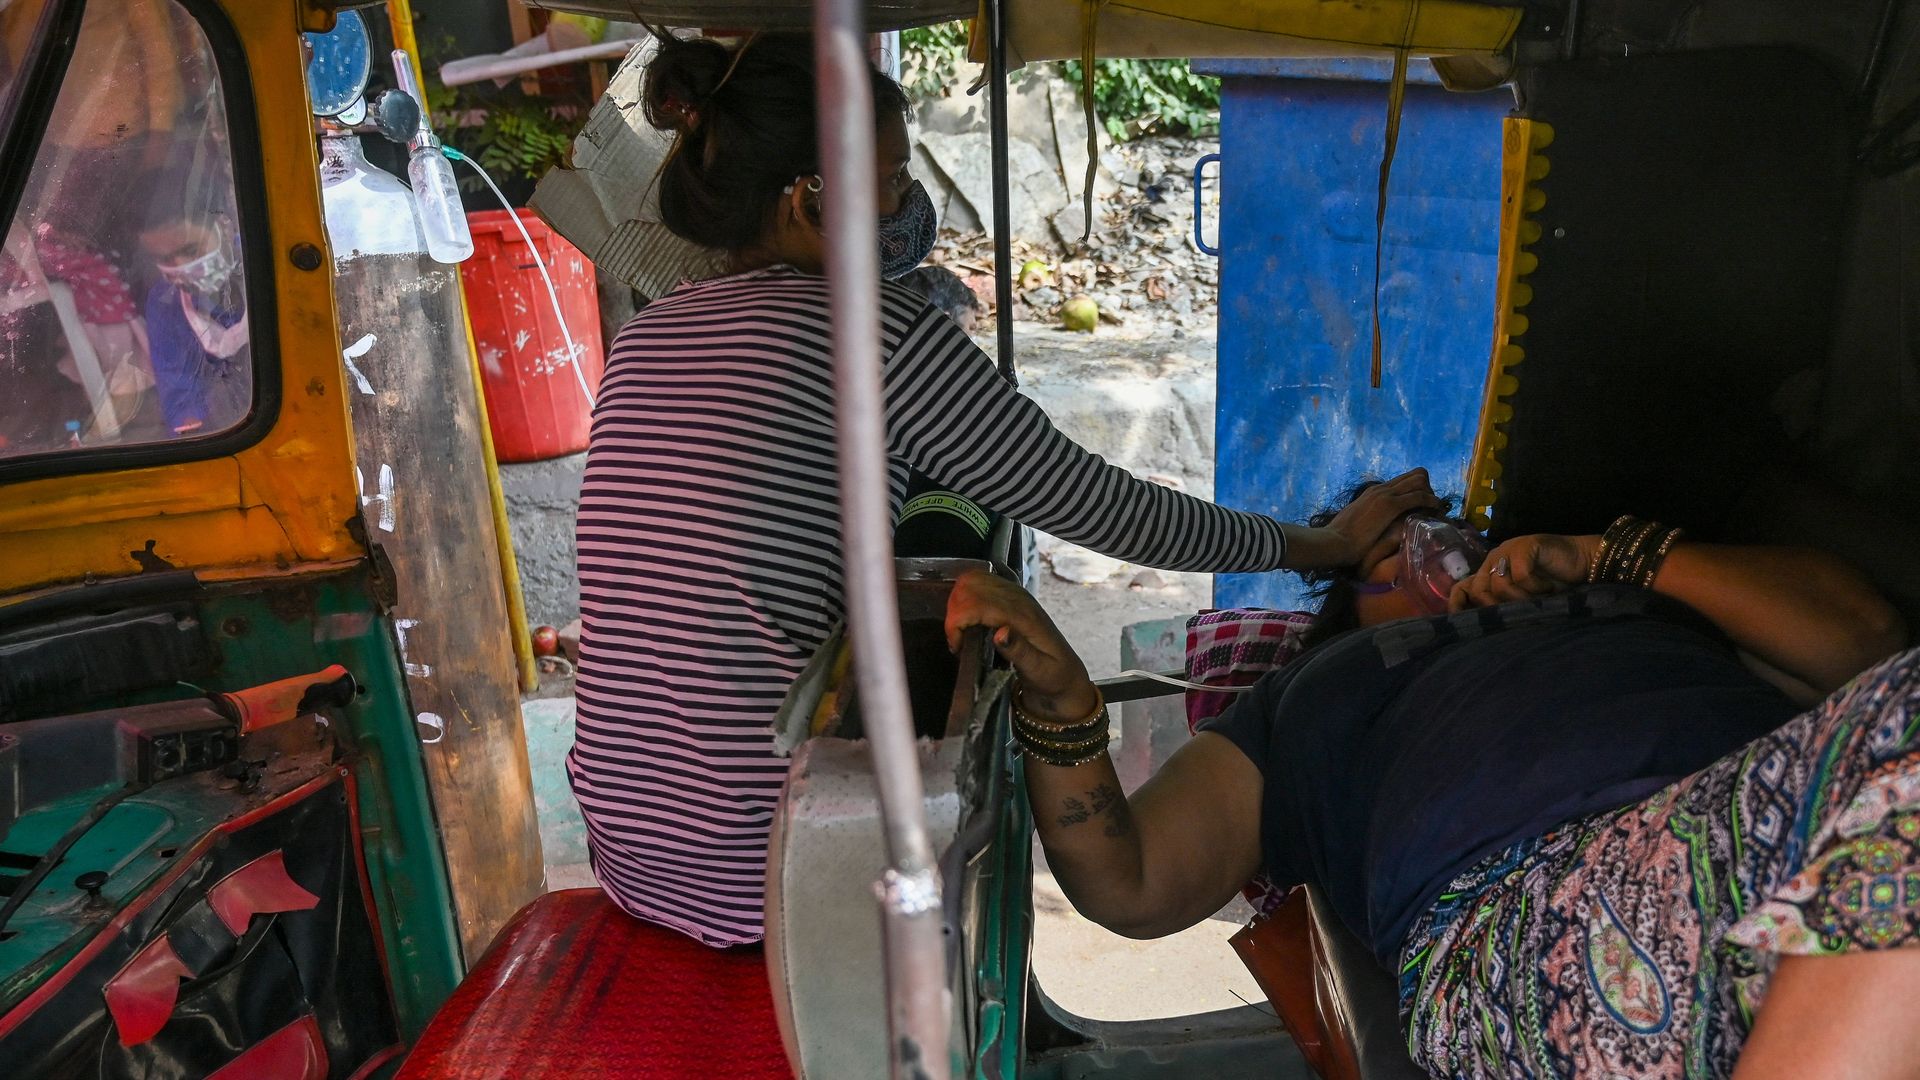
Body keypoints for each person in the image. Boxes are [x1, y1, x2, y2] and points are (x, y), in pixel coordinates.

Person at [569, 31, 1438, 948]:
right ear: (809, 197)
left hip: (634, 858)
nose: (908, 206)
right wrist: (1324, 545)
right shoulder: (876, 332)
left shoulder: (647, 335)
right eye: (894, 180)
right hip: (768, 878)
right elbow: (1102, 507)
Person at [946, 482, 1916, 1079]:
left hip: (1786, 843)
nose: (1430, 548)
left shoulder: (1623, 602)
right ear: (1346, 597)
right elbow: (1133, 882)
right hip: (1524, 924)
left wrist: (1600, 558)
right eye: (1388, 546)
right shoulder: (1309, 696)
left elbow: (1867, 648)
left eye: (1445, 529)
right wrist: (1064, 714)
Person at [137, 181, 250, 437]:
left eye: (191, 250)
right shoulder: (165, 301)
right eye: (166, 260)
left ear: (223, 226)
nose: (182, 266)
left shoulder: (270, 259)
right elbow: (177, 384)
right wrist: (190, 433)